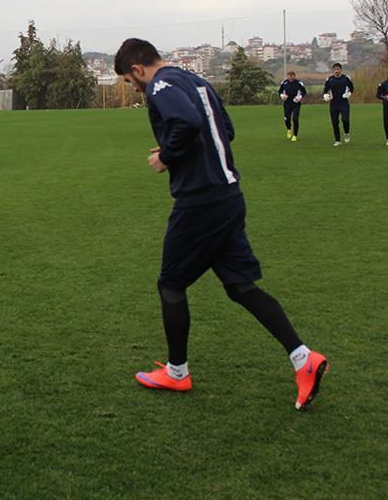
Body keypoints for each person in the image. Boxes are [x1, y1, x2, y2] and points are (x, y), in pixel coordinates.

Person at [113, 38, 327, 411]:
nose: (136, 89)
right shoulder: (196, 81)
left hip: (201, 202)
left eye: (132, 83)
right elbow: (225, 129)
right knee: (240, 286)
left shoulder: (160, 85)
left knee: (171, 284)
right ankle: (303, 358)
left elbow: (187, 121)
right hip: (228, 196)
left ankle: (177, 372)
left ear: (137, 69)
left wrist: (168, 155)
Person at [322, 63, 354, 146]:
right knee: (335, 122)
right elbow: (325, 90)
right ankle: (337, 140)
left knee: (345, 120)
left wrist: (348, 94)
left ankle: (346, 133)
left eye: (338, 69)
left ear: (341, 70)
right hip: (334, 104)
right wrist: (325, 95)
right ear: (333, 70)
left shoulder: (346, 78)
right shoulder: (330, 79)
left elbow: (352, 88)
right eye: (335, 69)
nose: (336, 71)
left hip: (344, 103)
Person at [278, 71, 307, 142]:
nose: (291, 77)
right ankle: (289, 129)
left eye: (292, 75)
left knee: (295, 119)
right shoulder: (284, 83)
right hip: (287, 103)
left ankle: (295, 135)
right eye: (289, 75)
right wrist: (282, 95)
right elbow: (280, 91)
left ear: (294, 76)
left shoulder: (299, 83)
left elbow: (304, 92)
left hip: (296, 103)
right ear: (287, 76)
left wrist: (299, 97)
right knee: (287, 118)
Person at [377, 75, 388, 146]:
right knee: (386, 124)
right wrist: (384, 97)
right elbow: (378, 95)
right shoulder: (383, 84)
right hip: (386, 107)